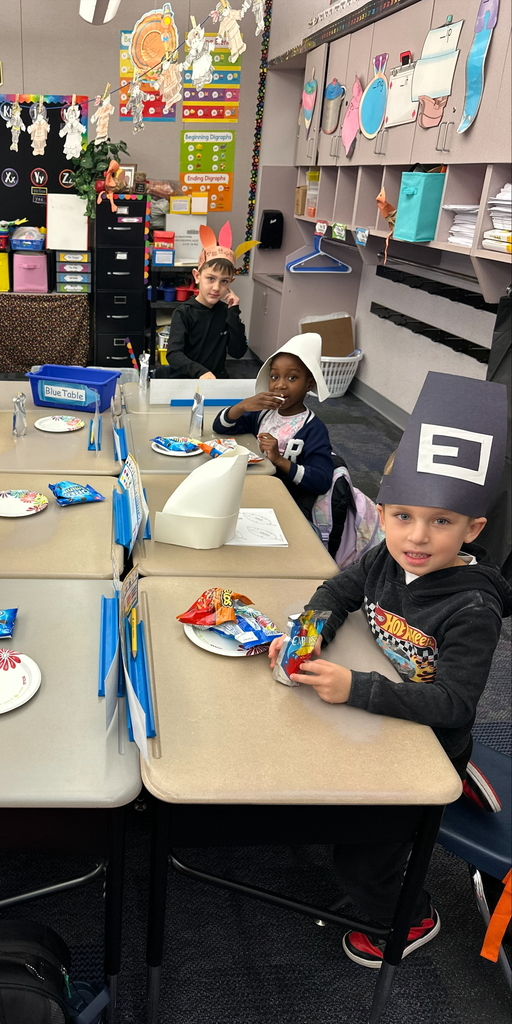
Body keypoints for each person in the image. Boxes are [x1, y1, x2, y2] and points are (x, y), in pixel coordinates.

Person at [268, 371, 511, 968]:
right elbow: (338, 590)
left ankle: (411, 917)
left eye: (441, 522)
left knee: (362, 857)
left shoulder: (472, 609)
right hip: (383, 715)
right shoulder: (384, 557)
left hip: (431, 735)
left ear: (473, 528)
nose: (417, 538)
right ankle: (456, 778)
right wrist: (308, 633)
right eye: (403, 516)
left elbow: (453, 703)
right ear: (383, 512)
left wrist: (357, 687)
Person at [213, 333, 334, 519]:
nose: (280, 385)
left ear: (309, 384)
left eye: (292, 378)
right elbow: (220, 427)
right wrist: (242, 406)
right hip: (253, 488)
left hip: (284, 502)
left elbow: (321, 480)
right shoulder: (264, 414)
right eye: (274, 376)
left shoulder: (313, 429)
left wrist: (279, 460)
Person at [165, 221, 257, 379]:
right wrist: (201, 372)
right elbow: (174, 354)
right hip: (187, 379)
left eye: (224, 281)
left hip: (216, 380)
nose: (216, 287)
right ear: (197, 276)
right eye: (211, 278)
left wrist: (234, 313)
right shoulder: (184, 313)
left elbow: (237, 352)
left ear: (230, 282)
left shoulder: (226, 312)